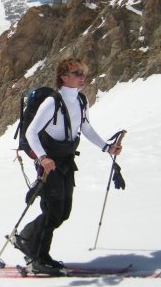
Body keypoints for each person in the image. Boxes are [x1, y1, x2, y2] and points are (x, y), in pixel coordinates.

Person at [15, 57, 123, 274]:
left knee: (63, 212)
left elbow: (85, 127)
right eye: (77, 73)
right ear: (64, 77)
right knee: (53, 210)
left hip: (66, 161)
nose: (82, 77)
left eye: (83, 73)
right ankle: (39, 258)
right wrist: (43, 158)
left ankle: (27, 238)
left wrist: (106, 147)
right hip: (50, 163)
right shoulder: (52, 102)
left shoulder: (81, 100)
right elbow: (31, 132)